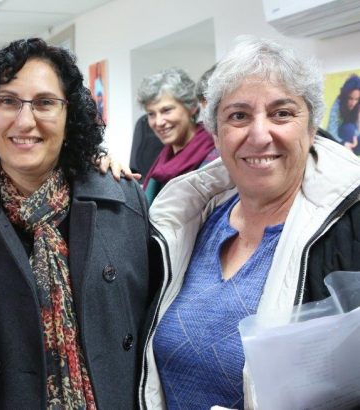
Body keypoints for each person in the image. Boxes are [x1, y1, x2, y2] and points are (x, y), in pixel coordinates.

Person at [0, 38, 151, 409]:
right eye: (8, 101)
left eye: (45, 103)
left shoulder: (122, 202)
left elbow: (150, 332)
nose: (24, 121)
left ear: (70, 115)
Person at [140, 36, 360, 409]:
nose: (259, 135)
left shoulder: (350, 229)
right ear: (216, 134)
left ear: (311, 129)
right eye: (239, 116)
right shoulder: (187, 222)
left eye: (282, 113)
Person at [138, 68, 215, 204]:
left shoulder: (214, 154)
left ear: (191, 107)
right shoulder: (163, 156)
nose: (158, 122)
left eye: (167, 110)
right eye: (151, 114)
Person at [326, 74, 360, 143]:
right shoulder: (338, 104)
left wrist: (355, 137)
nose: (353, 103)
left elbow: (357, 127)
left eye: (356, 99)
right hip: (337, 139)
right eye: (350, 98)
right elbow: (331, 131)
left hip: (352, 139)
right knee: (349, 128)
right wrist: (343, 143)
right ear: (345, 96)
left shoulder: (357, 105)